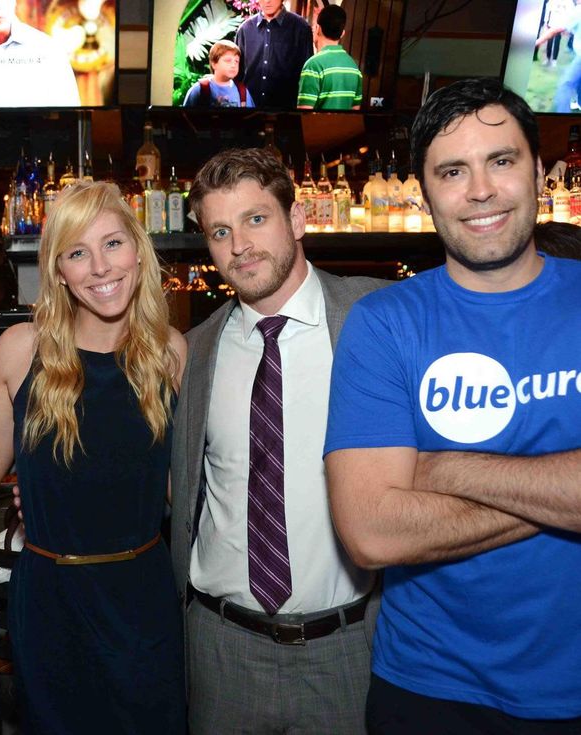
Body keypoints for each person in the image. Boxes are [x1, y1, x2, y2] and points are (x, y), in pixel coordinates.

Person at [325, 77, 581, 732]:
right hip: (429, 688)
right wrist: (559, 493)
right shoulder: (383, 324)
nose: (480, 190)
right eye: (452, 171)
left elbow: (399, 505)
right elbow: (372, 531)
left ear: (540, 173)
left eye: (502, 160)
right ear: (424, 192)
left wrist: (443, 468)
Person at [170, 146, 387, 734]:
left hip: (346, 647)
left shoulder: (373, 316)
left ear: (296, 219)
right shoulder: (194, 351)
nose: (239, 245)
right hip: (222, 648)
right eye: (220, 231)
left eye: (256, 219)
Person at [0, 180, 188, 734]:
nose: (100, 267)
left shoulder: (169, 352)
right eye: (77, 252)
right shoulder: (20, 350)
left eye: (113, 243)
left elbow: (181, 491)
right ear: (59, 272)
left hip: (142, 601)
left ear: (138, 252)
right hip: (50, 604)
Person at [234, 0, 313, 109]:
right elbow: (237, 75)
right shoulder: (245, 29)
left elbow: (307, 75)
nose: (268, 1)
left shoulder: (301, 28)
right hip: (249, 110)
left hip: (286, 110)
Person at [297, 4, 363, 110]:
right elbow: (355, 112)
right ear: (342, 33)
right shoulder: (354, 67)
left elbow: (304, 112)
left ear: (318, 28)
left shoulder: (313, 65)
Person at [536, 0, 581, 112]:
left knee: (565, 85)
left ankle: (562, 115)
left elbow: (556, 30)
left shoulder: (579, 10)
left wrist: (537, 42)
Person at [182, 40, 253, 108]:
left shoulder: (243, 92)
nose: (233, 65)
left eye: (236, 61)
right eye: (228, 60)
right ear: (214, 64)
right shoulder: (199, 90)